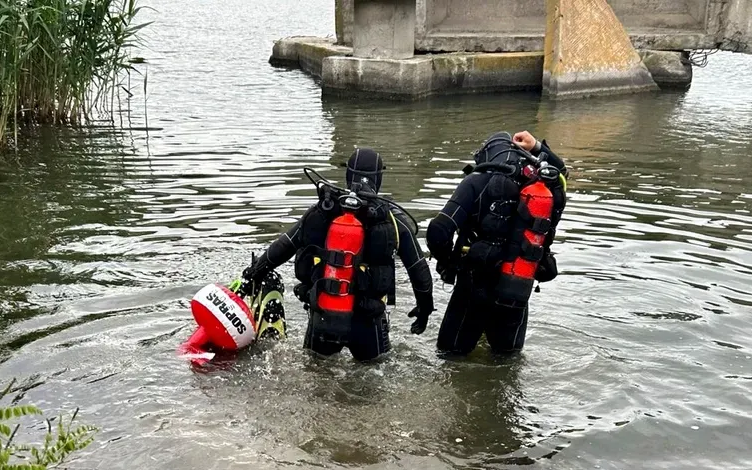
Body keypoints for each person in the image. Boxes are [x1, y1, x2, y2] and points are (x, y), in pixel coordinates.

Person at [241, 148, 434, 361]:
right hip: (368, 322)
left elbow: (284, 245)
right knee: (373, 379)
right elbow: (419, 270)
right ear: (379, 178)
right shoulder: (391, 221)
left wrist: (254, 273)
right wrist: (424, 310)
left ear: (348, 175)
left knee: (317, 374)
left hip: (325, 316)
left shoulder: (324, 211)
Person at [426, 130, 568, 356]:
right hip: (517, 285)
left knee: (451, 358)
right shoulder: (542, 184)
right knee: (507, 363)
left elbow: (438, 231)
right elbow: (562, 173)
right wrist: (538, 149)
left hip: (474, 284)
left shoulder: (476, 181)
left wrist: (450, 263)